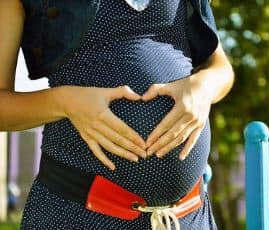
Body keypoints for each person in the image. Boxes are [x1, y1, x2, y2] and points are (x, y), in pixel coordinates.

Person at [0, 0, 234, 229]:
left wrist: (206, 86)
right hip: (77, 214)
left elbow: (220, 67)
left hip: (188, 218)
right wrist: (65, 102)